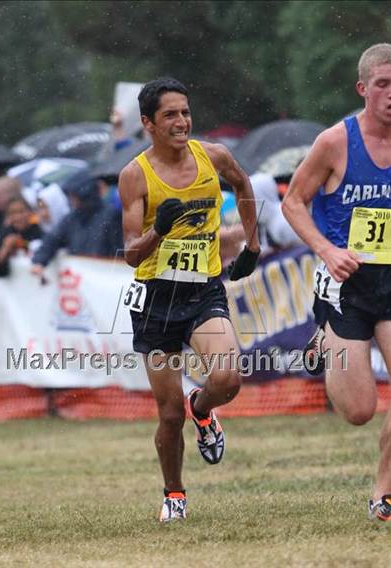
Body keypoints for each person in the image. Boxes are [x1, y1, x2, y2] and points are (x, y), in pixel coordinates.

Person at [119, 77, 260, 522]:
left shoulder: (212, 156)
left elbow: (243, 185)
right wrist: (158, 227)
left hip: (202, 291)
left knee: (228, 379)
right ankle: (174, 496)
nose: (181, 122)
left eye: (185, 112)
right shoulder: (134, 175)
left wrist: (252, 245)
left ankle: (203, 409)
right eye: (170, 115)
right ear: (148, 123)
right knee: (166, 415)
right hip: (156, 299)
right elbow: (129, 254)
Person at [282, 43, 391, 521]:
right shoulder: (335, 142)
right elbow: (292, 203)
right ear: (363, 88)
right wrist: (327, 250)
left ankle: (384, 493)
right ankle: (324, 339)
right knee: (360, 411)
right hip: (346, 286)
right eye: (384, 84)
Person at [31, 168, 123, 278]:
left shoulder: (111, 215)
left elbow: (119, 250)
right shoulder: (72, 218)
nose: (72, 200)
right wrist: (39, 261)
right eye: (70, 196)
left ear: (85, 195)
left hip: (104, 277)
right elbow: (53, 239)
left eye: (74, 196)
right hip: (82, 280)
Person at [0, 196, 44, 277]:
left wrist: (25, 245)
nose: (18, 217)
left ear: (30, 212)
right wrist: (6, 248)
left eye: (21, 211)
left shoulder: (39, 231)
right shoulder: (3, 235)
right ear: (7, 216)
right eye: (12, 213)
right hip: (15, 287)